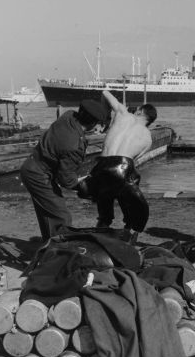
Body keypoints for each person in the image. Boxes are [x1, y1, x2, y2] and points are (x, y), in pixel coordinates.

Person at [20, 100, 108, 241]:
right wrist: (85, 186)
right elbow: (66, 180)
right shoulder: (74, 145)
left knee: (48, 213)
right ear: (93, 123)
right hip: (38, 175)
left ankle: (50, 245)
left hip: (32, 166)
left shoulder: (68, 116)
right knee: (61, 216)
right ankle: (58, 251)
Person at [80, 90, 157, 244]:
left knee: (104, 204)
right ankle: (129, 233)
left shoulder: (123, 113)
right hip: (123, 166)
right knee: (131, 202)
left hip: (101, 166)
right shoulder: (148, 138)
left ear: (139, 111)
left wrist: (108, 118)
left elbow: (104, 93)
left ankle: (102, 228)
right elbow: (134, 160)